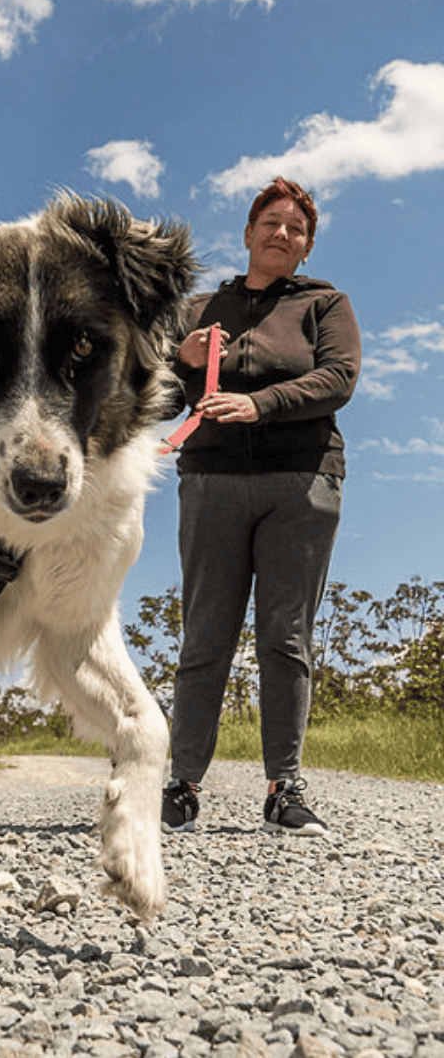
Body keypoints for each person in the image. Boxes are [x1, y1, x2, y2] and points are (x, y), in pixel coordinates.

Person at [162, 177, 361, 836]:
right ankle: (181, 786)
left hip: (301, 482)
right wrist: (182, 362)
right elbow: (157, 401)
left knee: (286, 636)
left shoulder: (324, 304)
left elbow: (338, 378)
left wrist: (259, 404)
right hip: (211, 480)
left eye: (296, 228)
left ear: (307, 246)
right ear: (248, 233)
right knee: (204, 636)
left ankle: (284, 789)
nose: (283, 233)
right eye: (272, 222)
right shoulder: (198, 309)